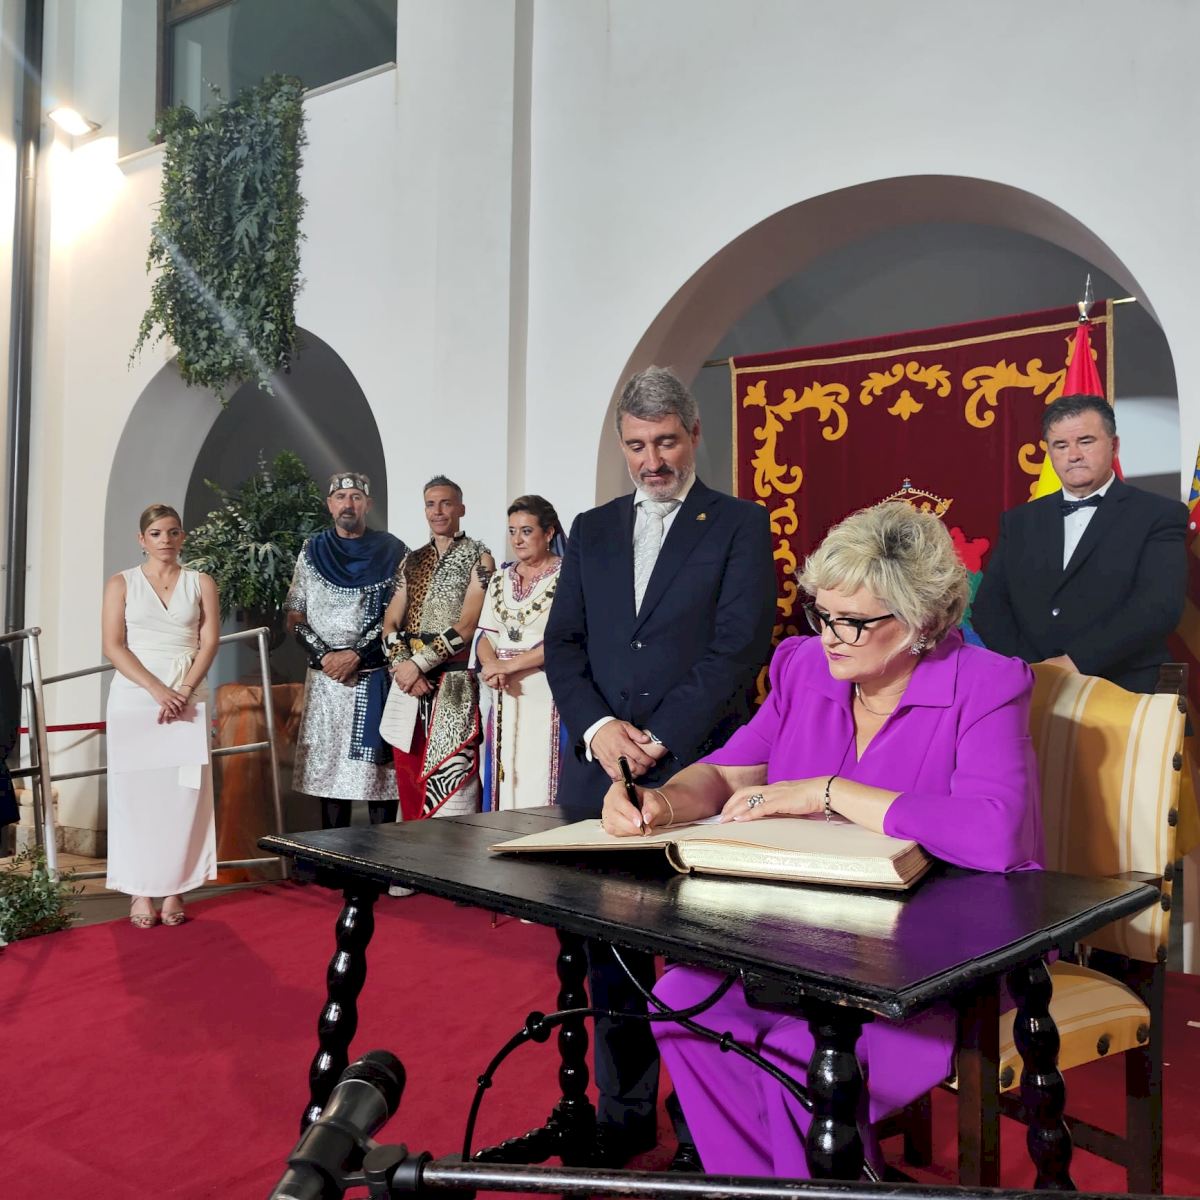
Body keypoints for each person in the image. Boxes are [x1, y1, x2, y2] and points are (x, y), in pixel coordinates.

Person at [600, 502, 1043, 1178]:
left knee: (798, 1054)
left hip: (940, 957)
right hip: (805, 937)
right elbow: (728, 771)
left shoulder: (985, 684)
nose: (832, 637)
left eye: (854, 621)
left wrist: (828, 791)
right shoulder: (804, 667)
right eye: (823, 614)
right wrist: (659, 801)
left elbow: (995, 832)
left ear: (922, 622)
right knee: (682, 1003)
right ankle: (769, 1186)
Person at [544, 365, 776, 1166]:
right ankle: (625, 1114)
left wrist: (660, 739)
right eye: (638, 446)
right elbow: (563, 645)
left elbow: (738, 648)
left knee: (703, 956)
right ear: (622, 444)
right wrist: (601, 728)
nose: (653, 461)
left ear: (695, 435)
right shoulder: (591, 528)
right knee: (610, 955)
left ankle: (705, 1123)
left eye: (667, 442)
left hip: (701, 771)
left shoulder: (739, 525)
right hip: (600, 774)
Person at [972, 393, 1188, 693]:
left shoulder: (1159, 514)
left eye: (1085, 441)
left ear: (1114, 446)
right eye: (1061, 445)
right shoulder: (1018, 521)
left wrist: (1075, 662)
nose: (1073, 455)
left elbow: (1158, 607)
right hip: (1029, 686)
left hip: (1124, 689)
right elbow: (988, 607)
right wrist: (1031, 667)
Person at [101, 504, 221, 928]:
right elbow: (113, 645)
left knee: (184, 795)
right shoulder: (121, 583)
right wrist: (156, 689)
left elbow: (209, 642)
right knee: (136, 796)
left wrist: (183, 690)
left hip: (187, 694)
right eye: (155, 533)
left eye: (172, 532)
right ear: (142, 540)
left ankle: (175, 888)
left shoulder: (201, 582)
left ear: (182, 536)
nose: (165, 540)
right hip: (136, 697)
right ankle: (139, 890)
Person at [285, 472, 408, 830]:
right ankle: (332, 859)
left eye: (356, 497)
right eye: (341, 497)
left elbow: (399, 613)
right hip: (326, 681)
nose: (348, 504)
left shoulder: (393, 551)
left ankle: (382, 858)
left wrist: (356, 654)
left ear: (368, 504)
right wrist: (325, 656)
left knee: (379, 780)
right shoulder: (312, 550)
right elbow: (294, 612)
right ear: (330, 505)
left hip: (373, 675)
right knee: (329, 779)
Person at [382, 475, 494, 819]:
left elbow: (468, 625)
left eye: (446, 503)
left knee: (453, 788)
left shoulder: (480, 557)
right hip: (409, 687)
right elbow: (390, 624)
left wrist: (417, 665)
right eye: (431, 504)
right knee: (409, 780)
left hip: (454, 686)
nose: (438, 511)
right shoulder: (411, 561)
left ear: (461, 508)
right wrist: (405, 668)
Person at [476, 495, 565, 808]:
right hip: (502, 690)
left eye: (526, 531)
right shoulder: (501, 577)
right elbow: (485, 634)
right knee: (504, 773)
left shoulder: (568, 576)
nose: (517, 540)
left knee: (540, 776)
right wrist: (492, 666)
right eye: (512, 531)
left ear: (549, 532)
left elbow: (564, 640)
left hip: (546, 690)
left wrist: (507, 667)